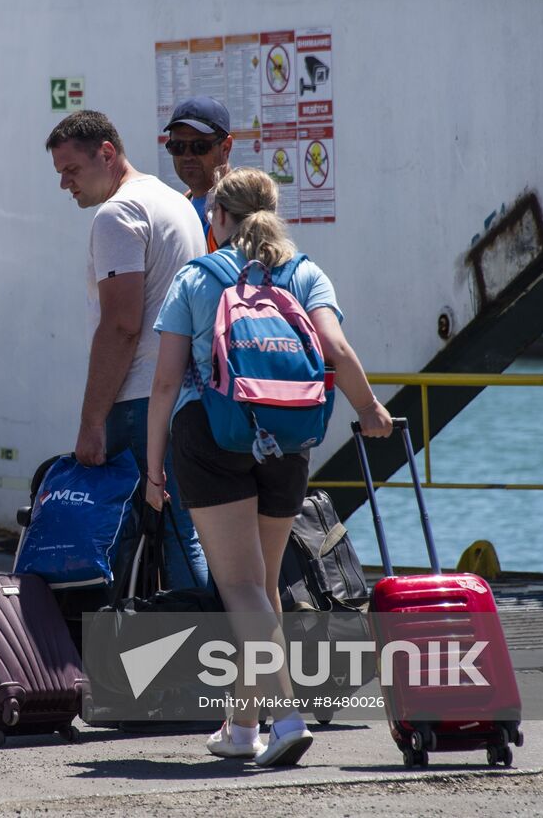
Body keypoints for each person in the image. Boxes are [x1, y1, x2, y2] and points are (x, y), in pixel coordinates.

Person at [144, 167, 392, 766]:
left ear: (219, 218)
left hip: (212, 435)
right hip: (287, 438)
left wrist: (153, 471)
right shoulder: (305, 273)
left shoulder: (197, 277)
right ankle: (242, 724)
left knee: (242, 587)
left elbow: (166, 382)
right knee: (262, 587)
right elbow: (335, 348)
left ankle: (285, 720)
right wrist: (370, 410)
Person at [45, 110, 210, 592]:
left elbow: (121, 325)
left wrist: (91, 421)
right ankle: (209, 633)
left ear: (107, 153)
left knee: (156, 536)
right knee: (185, 531)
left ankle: (198, 637)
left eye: (71, 170)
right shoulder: (176, 204)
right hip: (189, 395)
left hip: (140, 400)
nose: (65, 184)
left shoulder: (118, 214)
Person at [164, 95, 233, 251]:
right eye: (178, 146)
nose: (187, 156)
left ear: (226, 147)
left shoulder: (238, 206)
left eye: (199, 146)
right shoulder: (184, 203)